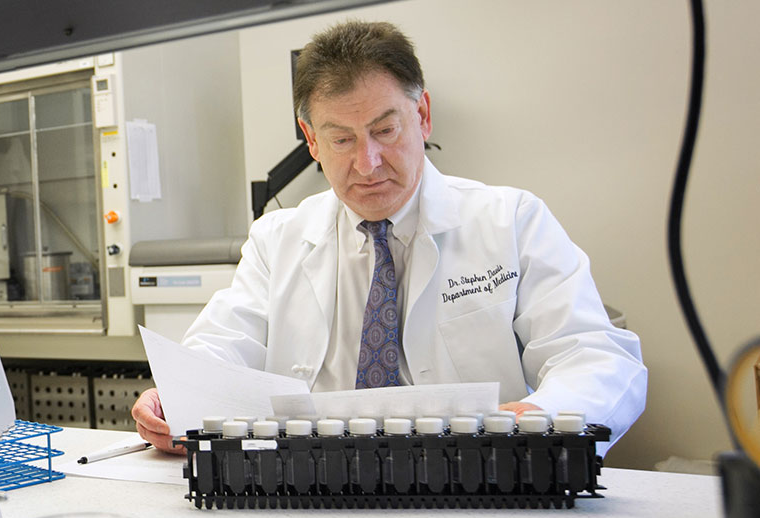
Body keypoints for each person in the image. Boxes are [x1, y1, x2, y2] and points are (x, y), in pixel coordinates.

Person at [132, 20, 646, 454]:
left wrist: (538, 415)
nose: (367, 163)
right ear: (312, 140)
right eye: (341, 139)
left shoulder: (511, 221)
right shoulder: (277, 239)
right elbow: (221, 348)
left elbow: (594, 356)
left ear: (421, 116)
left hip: (477, 481)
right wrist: (177, 395)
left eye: (384, 130)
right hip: (313, 489)